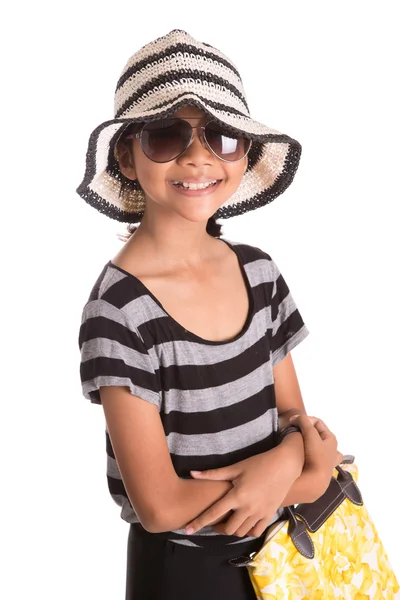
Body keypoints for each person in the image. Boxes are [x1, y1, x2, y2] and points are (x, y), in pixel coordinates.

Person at [77, 29, 342, 600]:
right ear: (126, 153)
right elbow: (159, 504)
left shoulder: (259, 273)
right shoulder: (119, 310)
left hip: (285, 559)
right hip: (183, 573)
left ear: (243, 152)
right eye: (167, 135)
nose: (198, 158)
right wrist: (300, 480)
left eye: (220, 136)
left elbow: (294, 415)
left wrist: (288, 463)